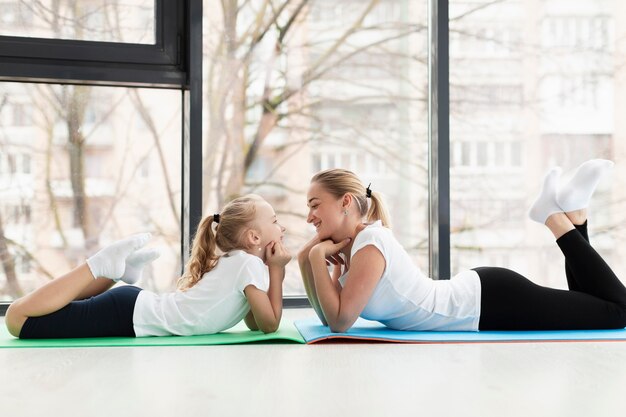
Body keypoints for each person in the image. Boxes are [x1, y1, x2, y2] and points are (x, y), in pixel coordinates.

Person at [298, 160, 626, 333]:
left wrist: (314, 258)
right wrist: (303, 257)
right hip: (484, 298)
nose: (309, 215)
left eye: (315, 205)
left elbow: (340, 321)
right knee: (593, 306)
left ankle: (555, 218)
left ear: (344, 202)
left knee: (617, 312)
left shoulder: (370, 243)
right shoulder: (356, 247)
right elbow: (328, 318)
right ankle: (576, 213)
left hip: (490, 304)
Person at [5, 194, 290, 339]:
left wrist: (270, 273)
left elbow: (254, 322)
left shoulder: (239, 264)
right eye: (276, 221)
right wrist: (277, 270)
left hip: (130, 309)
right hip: (130, 314)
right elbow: (268, 324)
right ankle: (98, 267)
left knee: (53, 312)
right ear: (254, 237)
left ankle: (115, 272)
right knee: (18, 319)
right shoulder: (248, 266)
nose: (283, 227)